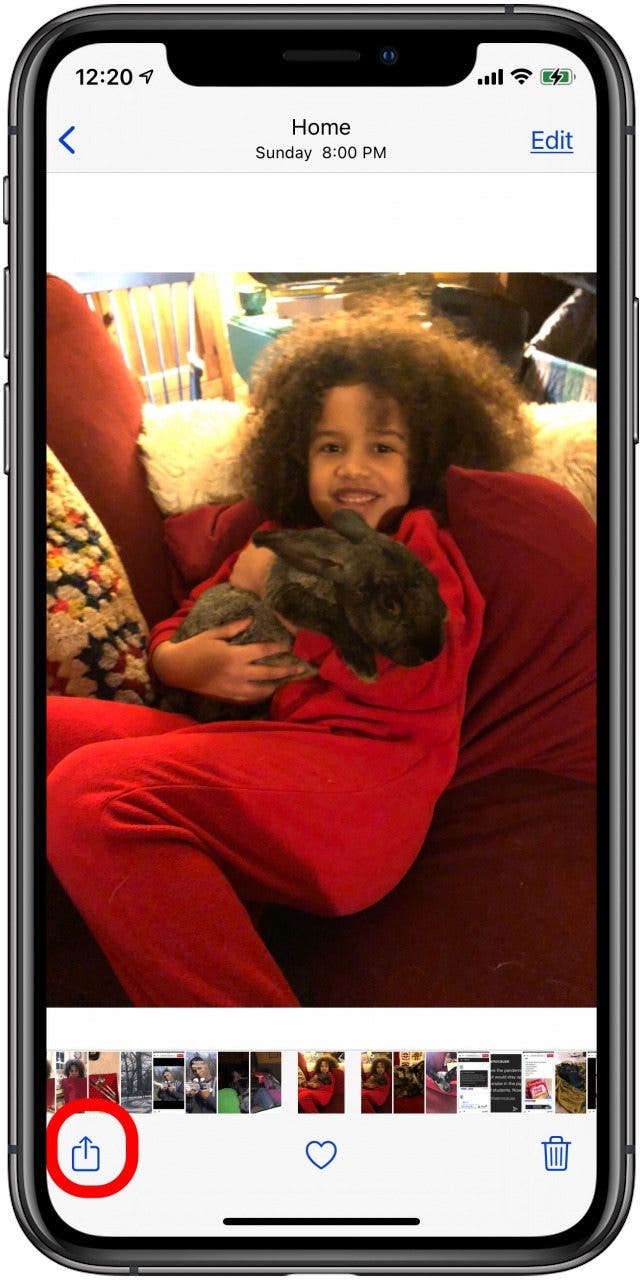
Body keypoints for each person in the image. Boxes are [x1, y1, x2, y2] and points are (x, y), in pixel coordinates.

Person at [46, 309, 528, 1008]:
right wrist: (181, 663)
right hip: (259, 751)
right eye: (330, 446)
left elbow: (414, 670)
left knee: (94, 794)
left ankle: (263, 1056)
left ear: (421, 461)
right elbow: (184, 619)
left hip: (364, 794)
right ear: (298, 455)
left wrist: (283, 601)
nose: (353, 467)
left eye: (382, 447)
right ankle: (194, 874)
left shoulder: (420, 549)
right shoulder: (278, 534)